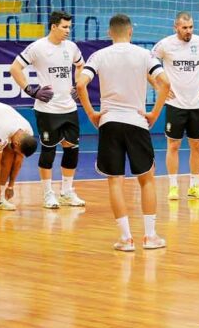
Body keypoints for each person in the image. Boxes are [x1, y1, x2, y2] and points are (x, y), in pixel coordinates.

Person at [76, 14, 170, 251]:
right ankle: (150, 237)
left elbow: (80, 85)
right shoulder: (144, 55)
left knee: (115, 181)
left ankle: (126, 239)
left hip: (109, 121)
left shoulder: (98, 56)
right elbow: (165, 83)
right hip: (137, 121)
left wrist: (92, 114)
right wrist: (154, 114)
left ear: (110, 33)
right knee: (147, 179)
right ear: (130, 32)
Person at [10, 10, 85, 209]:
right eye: (64, 26)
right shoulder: (37, 48)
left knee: (72, 150)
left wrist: (78, 84)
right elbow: (14, 69)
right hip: (47, 109)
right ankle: (48, 193)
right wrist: (30, 90)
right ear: (53, 26)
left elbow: (80, 66)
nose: (68, 30)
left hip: (68, 108)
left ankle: (67, 192)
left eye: (70, 27)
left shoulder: (72, 47)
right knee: (48, 151)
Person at [151, 12, 199, 200]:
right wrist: (158, 87)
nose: (188, 31)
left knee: (197, 145)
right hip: (175, 104)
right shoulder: (165, 44)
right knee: (173, 145)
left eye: (191, 27)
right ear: (176, 27)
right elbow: (147, 65)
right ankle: (173, 187)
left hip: (197, 104)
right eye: (184, 28)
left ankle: (194, 186)